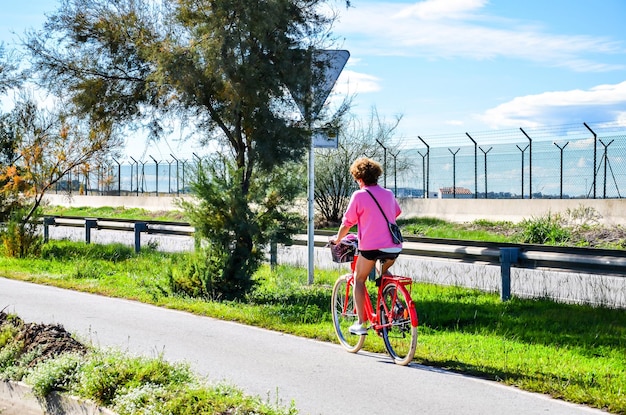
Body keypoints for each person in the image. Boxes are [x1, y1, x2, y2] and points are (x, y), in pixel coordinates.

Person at [330, 157, 402, 335]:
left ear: (359, 178)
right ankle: (398, 305)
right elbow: (396, 213)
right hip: (394, 247)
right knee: (384, 273)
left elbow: (347, 223)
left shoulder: (359, 195)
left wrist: (338, 240)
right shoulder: (389, 194)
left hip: (370, 248)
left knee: (359, 278)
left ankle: (361, 323)